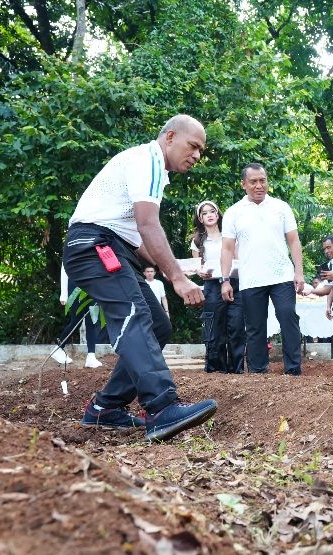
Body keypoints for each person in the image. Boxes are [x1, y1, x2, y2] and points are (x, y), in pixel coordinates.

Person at [64, 114, 217, 442]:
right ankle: (161, 408)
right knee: (134, 315)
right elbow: (148, 225)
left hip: (110, 245)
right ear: (171, 137)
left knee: (158, 325)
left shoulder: (153, 170)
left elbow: (139, 240)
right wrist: (177, 278)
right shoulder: (147, 159)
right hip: (94, 244)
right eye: (193, 146)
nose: (197, 156)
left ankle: (105, 409)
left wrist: (176, 268)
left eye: (202, 151)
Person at [220, 163, 304, 375]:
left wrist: (299, 272)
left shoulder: (281, 207)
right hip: (251, 278)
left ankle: (293, 370)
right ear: (243, 184)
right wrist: (225, 280)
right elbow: (227, 248)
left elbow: (294, 241)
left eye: (262, 180)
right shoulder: (233, 212)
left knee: (288, 317)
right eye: (253, 182)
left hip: (282, 275)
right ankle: (258, 372)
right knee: (255, 327)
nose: (259, 185)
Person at [191, 201, 246, 373]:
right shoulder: (197, 241)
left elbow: (238, 261)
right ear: (200, 218)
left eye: (212, 211)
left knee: (236, 326)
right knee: (215, 327)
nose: (209, 214)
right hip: (211, 285)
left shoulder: (229, 236)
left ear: (218, 214)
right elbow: (196, 265)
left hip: (234, 283)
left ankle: (237, 368)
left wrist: (227, 275)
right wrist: (200, 272)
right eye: (205, 212)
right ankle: (216, 369)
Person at [51, 264, 104, 368]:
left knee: (92, 321)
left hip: (93, 286)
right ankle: (58, 349)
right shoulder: (71, 247)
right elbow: (64, 266)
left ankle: (91, 356)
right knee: (76, 320)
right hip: (76, 285)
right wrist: (64, 293)